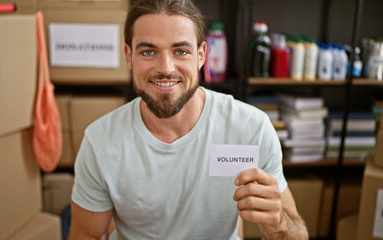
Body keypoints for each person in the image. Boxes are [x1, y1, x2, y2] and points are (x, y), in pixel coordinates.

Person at [69, 0, 308, 239]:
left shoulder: (251, 129)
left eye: (180, 51)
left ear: (201, 55)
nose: (166, 68)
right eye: (148, 52)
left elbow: (296, 235)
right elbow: (86, 235)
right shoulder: (100, 140)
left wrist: (279, 224)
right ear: (129, 56)